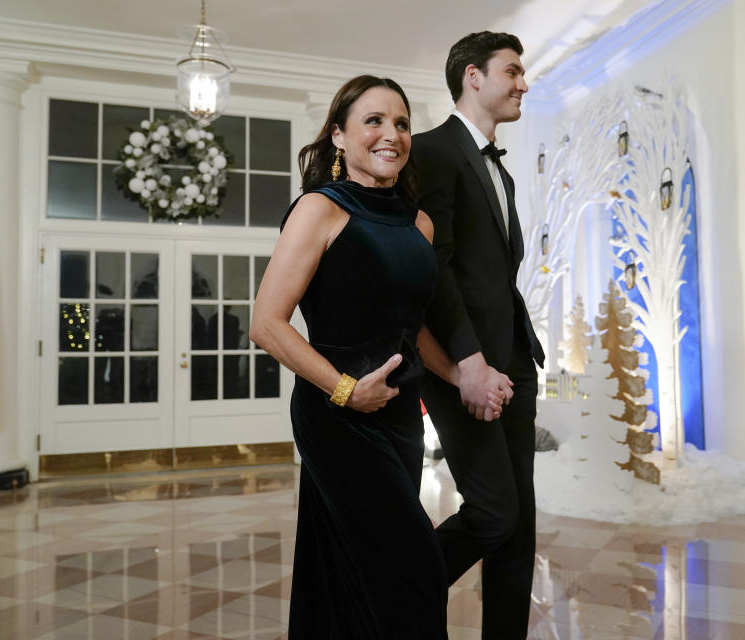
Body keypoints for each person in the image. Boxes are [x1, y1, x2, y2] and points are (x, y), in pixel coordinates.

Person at [250, 75, 473, 639]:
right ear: (339, 136)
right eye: (373, 120)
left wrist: (462, 375)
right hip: (336, 415)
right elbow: (266, 323)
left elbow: (412, 329)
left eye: (400, 123)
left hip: (399, 417)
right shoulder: (320, 210)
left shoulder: (417, 222)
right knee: (416, 566)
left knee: (345, 565)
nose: (391, 134)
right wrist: (347, 390)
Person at [411, 31, 546, 639]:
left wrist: (519, 355)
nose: (522, 83)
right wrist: (468, 361)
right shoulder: (430, 152)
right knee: (494, 514)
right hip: (465, 363)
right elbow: (434, 266)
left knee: (521, 524)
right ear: (472, 76)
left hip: (515, 360)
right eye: (512, 71)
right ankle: (391, 587)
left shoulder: (502, 172)